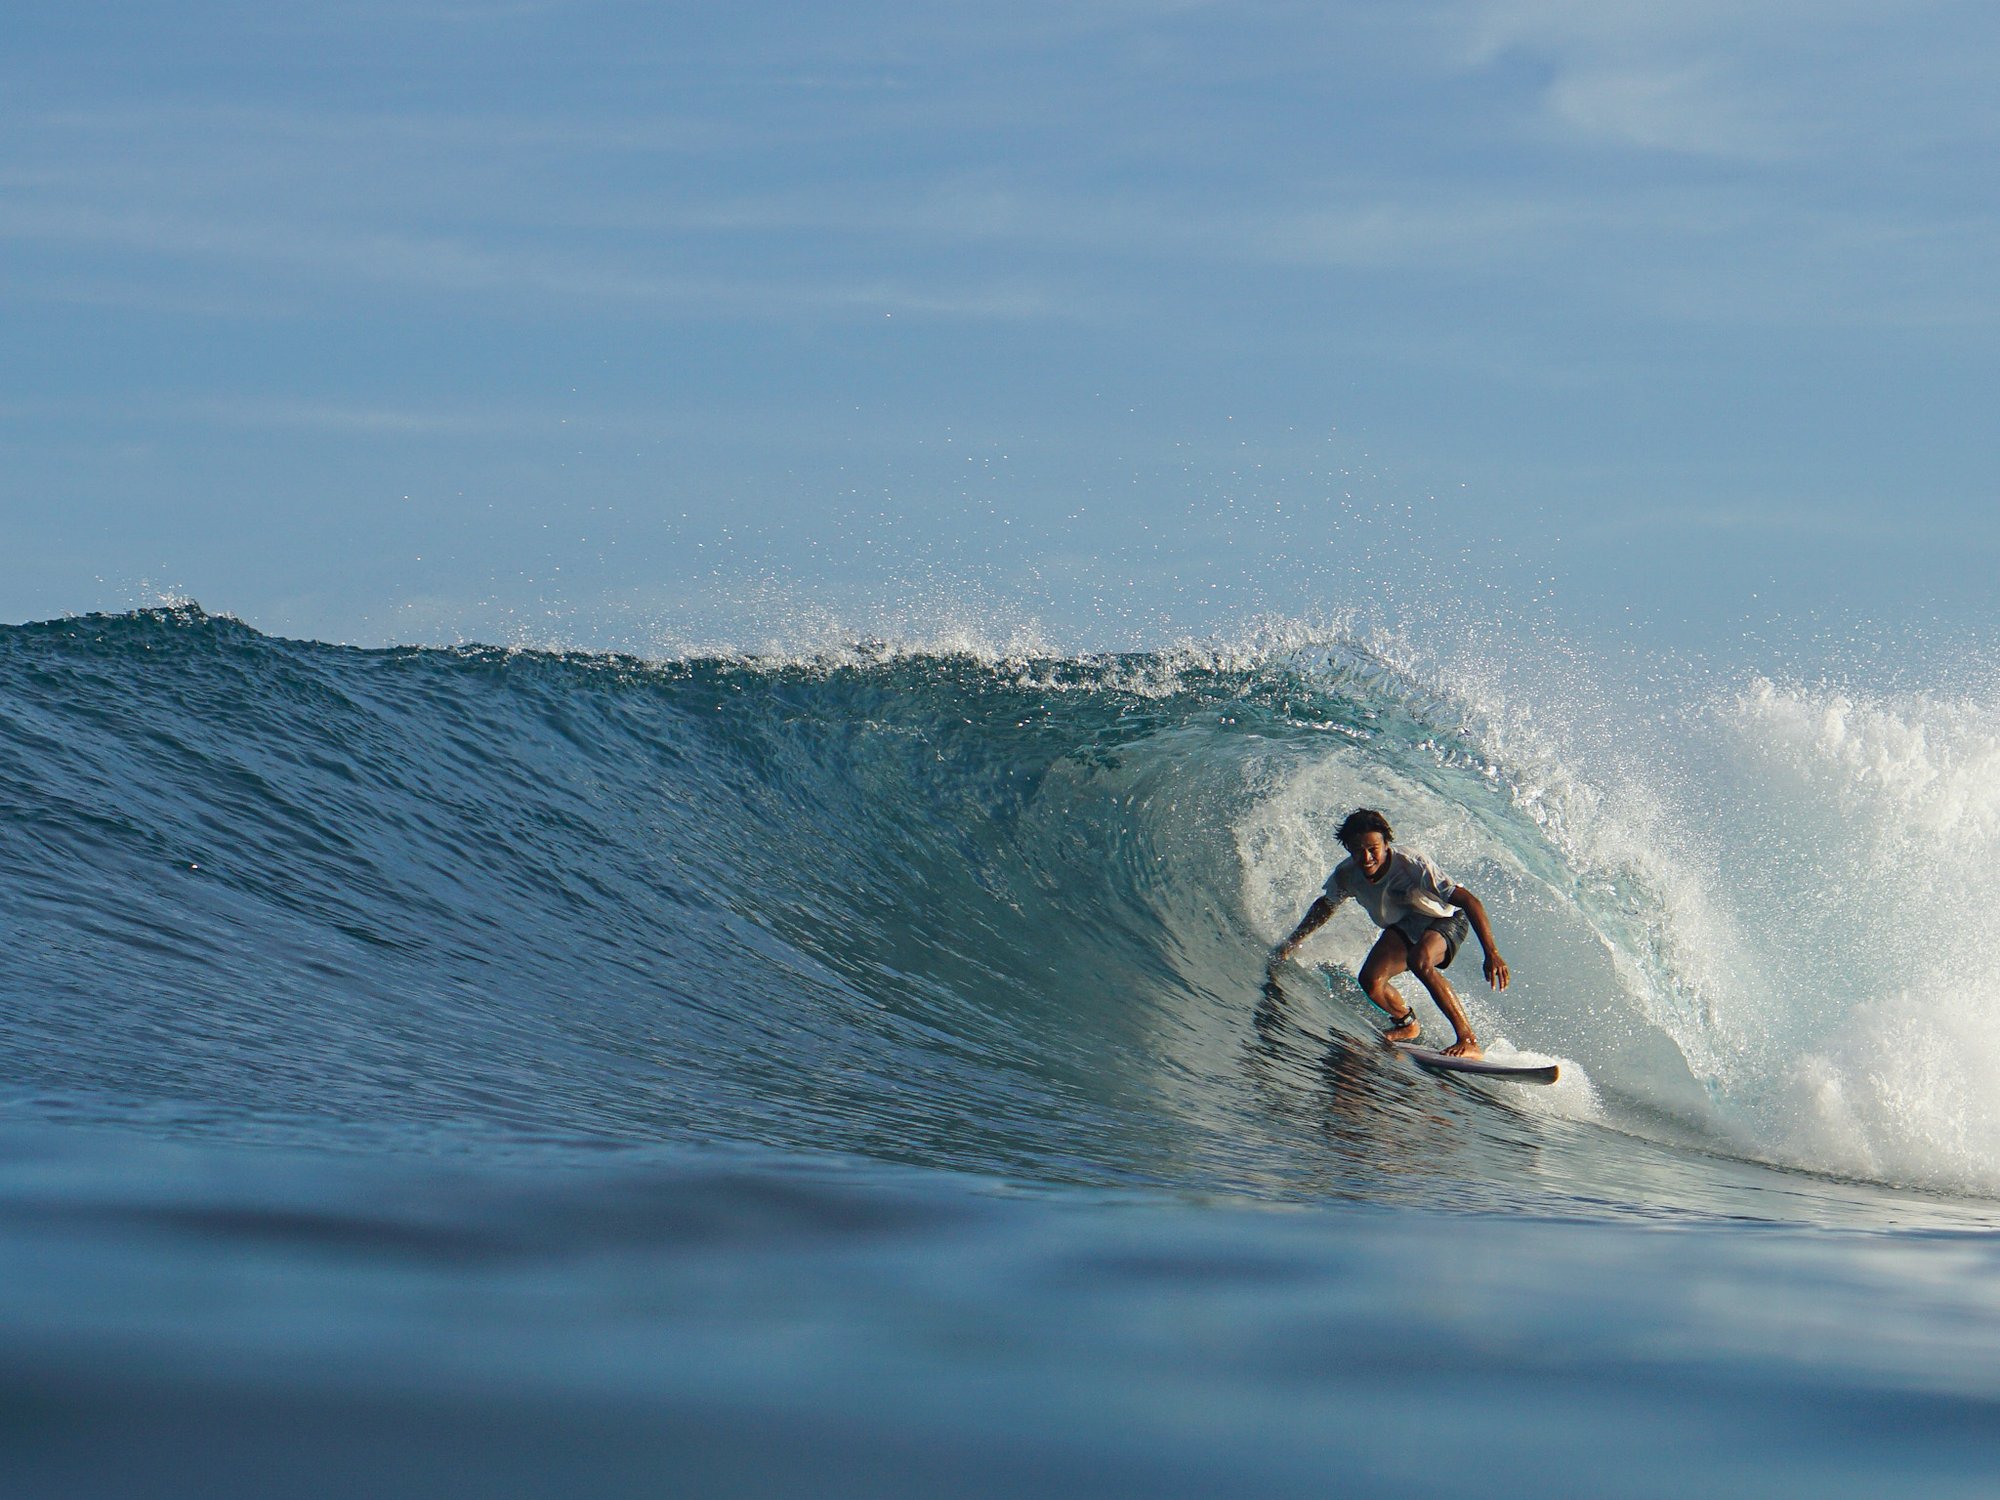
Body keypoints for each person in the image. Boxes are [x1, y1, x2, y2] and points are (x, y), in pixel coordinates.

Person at [1268, 809, 1508, 1059]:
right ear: (1348, 848)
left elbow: (1469, 901)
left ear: (1386, 844)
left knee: (1420, 960)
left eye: (1373, 849)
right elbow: (1326, 906)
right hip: (1407, 924)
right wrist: (1292, 942)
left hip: (1446, 918)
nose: (1366, 857)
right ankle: (1407, 1024)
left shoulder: (1411, 864)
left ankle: (1468, 1040)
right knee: (1371, 981)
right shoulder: (1347, 874)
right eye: (1358, 849)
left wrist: (1491, 953)